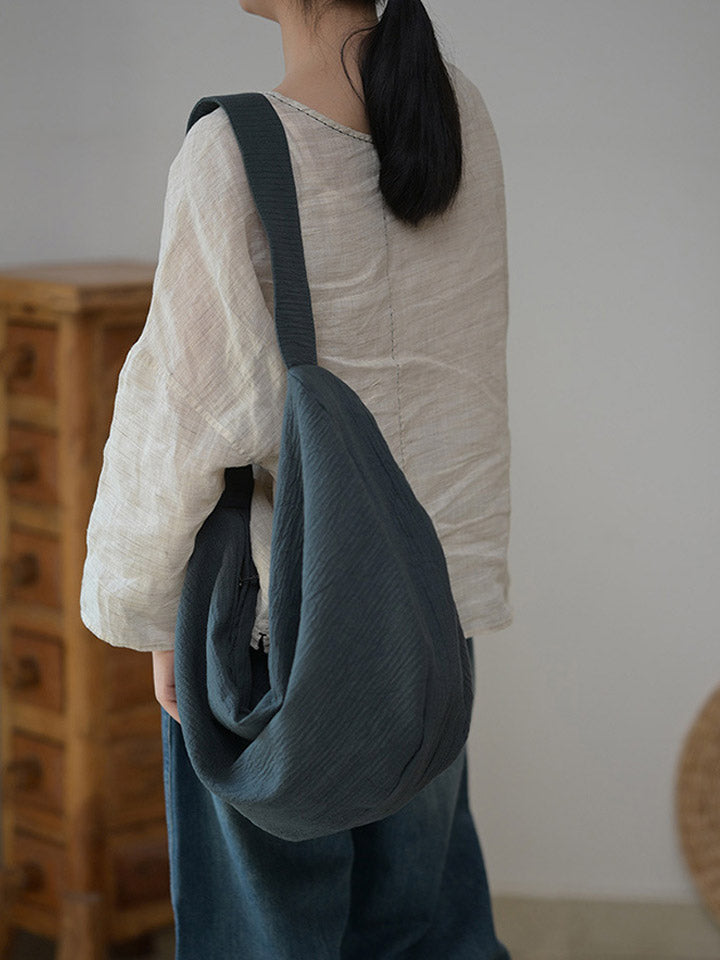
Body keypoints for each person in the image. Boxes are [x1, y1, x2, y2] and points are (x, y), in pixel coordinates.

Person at [80, 0, 514, 956]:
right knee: (421, 930)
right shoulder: (451, 117)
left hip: (279, 630)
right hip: (430, 620)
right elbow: (462, 368)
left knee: (266, 937)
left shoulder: (232, 151)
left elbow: (183, 412)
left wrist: (153, 618)